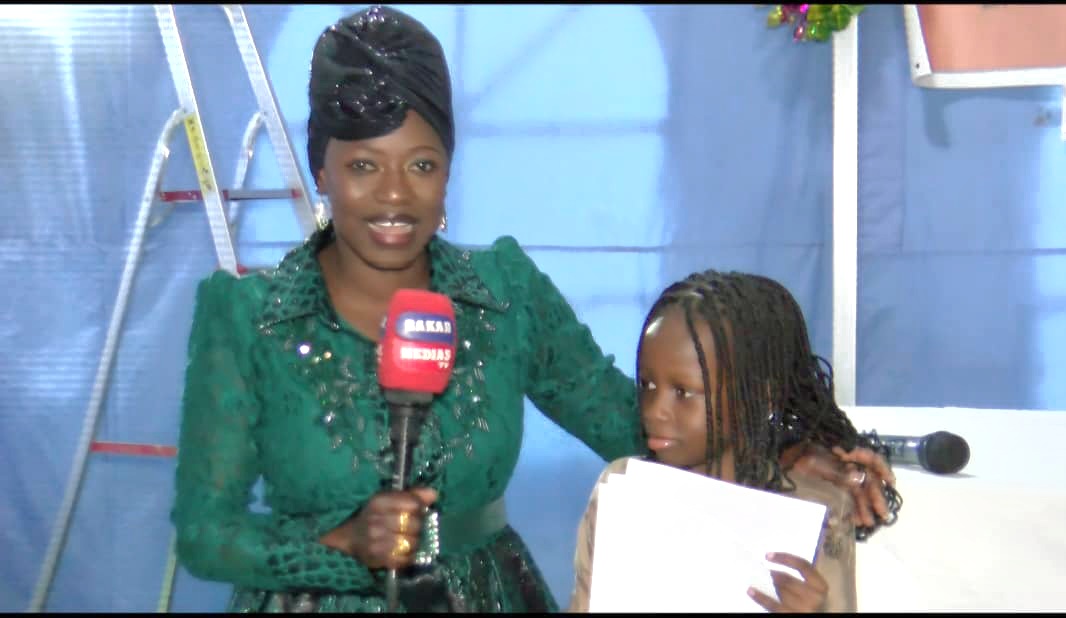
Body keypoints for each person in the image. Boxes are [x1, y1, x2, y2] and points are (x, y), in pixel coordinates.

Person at [170, 6, 899, 613]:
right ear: (320, 169)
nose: (394, 195)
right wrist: (340, 547)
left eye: (421, 165)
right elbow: (206, 536)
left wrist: (790, 449)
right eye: (363, 166)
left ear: (448, 172)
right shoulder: (247, 316)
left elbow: (637, 427)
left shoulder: (504, 293)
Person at [569, 270, 903, 613]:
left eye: (683, 392)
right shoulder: (623, 488)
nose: (655, 411)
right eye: (647, 385)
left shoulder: (814, 510)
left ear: (757, 396)